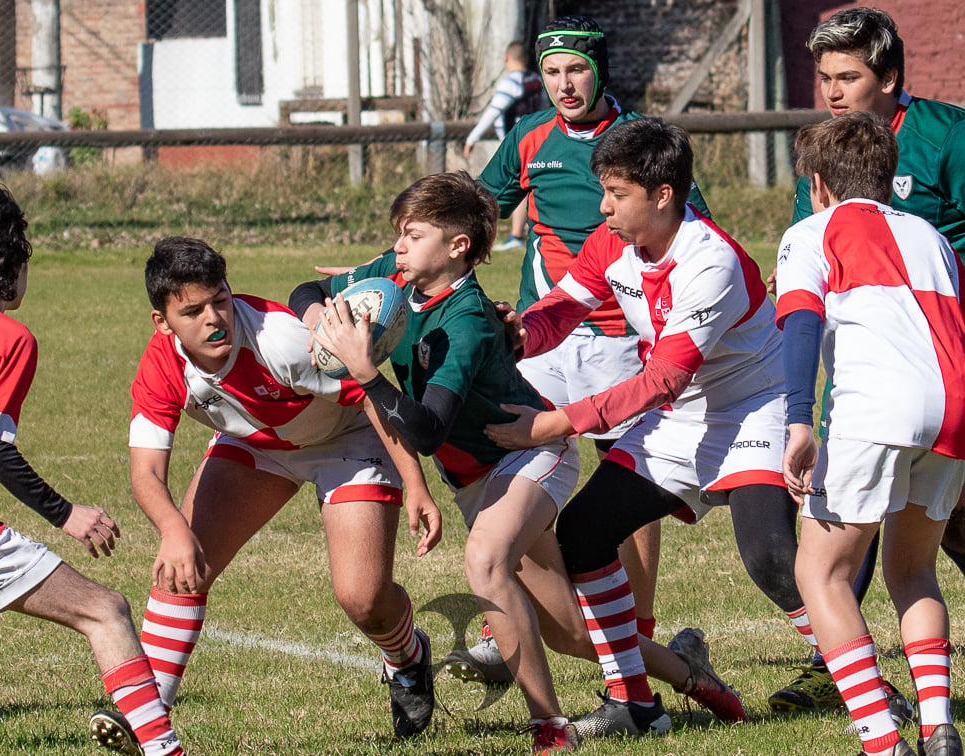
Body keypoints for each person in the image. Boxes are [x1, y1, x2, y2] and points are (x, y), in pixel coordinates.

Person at [298, 171, 744, 753]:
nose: (398, 247)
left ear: (458, 246)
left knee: (485, 561)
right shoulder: (394, 277)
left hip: (530, 452)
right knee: (574, 635)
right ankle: (686, 672)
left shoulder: (468, 321)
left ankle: (549, 730)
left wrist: (363, 369)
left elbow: (428, 430)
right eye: (398, 237)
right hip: (473, 480)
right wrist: (322, 324)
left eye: (412, 235)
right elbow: (305, 291)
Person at [483, 117, 806, 738]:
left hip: (752, 407)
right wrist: (521, 331)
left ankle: (870, 687)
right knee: (583, 532)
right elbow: (567, 307)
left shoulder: (710, 261)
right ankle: (634, 704)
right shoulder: (614, 242)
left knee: (769, 557)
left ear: (662, 195)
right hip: (681, 415)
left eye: (616, 194)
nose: (602, 208)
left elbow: (661, 380)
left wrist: (556, 423)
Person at [770, 6, 965, 713]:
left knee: (913, 501)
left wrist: (948, 310)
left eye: (848, 76)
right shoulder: (829, 149)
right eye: (824, 77)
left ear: (889, 76)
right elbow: (814, 242)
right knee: (854, 489)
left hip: (951, 352)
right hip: (856, 349)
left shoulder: (947, 135)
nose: (833, 91)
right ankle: (840, 655)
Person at [453, 13, 715, 685]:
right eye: (551, 72)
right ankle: (504, 622)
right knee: (516, 465)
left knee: (626, 489)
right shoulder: (526, 136)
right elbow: (474, 219)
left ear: (600, 71)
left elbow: (697, 229)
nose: (564, 84)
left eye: (576, 70)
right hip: (546, 335)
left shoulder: (640, 143)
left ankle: (640, 633)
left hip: (623, 341)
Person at [0, 189, 184, 756]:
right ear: (11, 267)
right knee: (108, 611)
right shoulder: (7, 336)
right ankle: (164, 750)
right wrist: (67, 513)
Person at [121, 237, 441, 745]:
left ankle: (409, 658)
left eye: (220, 301)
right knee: (183, 568)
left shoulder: (280, 340)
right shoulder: (163, 364)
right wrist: (173, 530)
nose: (214, 319)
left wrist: (417, 484)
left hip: (347, 438)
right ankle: (145, 717)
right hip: (259, 444)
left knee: (363, 599)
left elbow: (370, 399)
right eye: (193, 311)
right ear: (162, 322)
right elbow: (145, 474)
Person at [463, 40, 546, 252]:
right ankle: (520, 233)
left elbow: (493, 112)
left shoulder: (510, 82)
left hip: (516, 144)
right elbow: (546, 109)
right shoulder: (538, 80)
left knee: (513, 187)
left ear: (506, 59)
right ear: (527, 60)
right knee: (528, 187)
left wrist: (472, 138)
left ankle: (514, 235)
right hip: (539, 140)